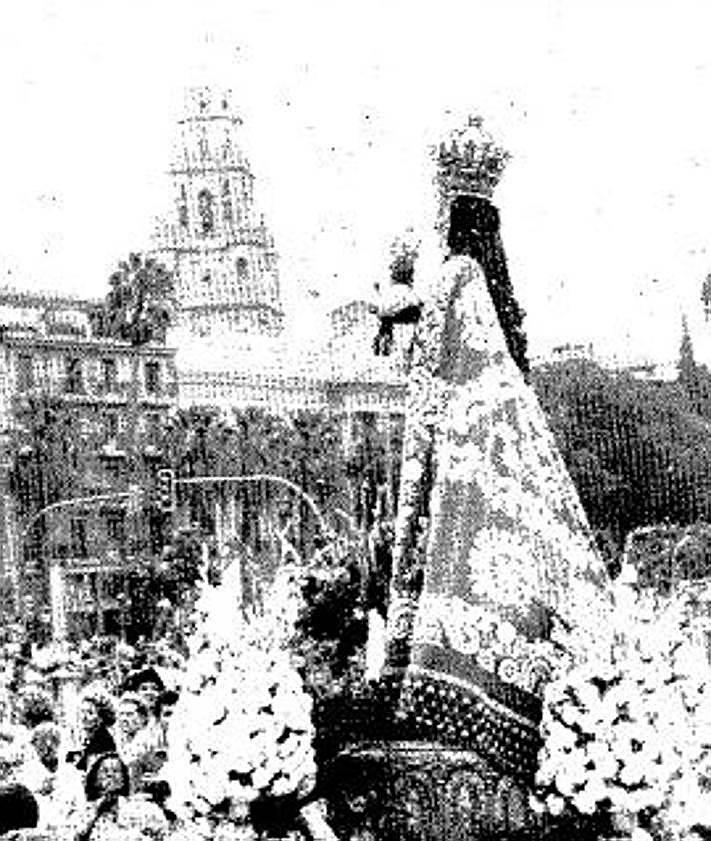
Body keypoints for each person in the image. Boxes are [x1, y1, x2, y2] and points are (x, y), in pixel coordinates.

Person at [380, 118, 612, 791]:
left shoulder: (456, 271)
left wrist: (395, 295)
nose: (433, 217)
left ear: (452, 215)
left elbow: (426, 342)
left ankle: (456, 687)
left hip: (459, 438)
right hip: (480, 437)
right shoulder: (487, 279)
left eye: (438, 207)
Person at [69, 752, 168, 841]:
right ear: (95, 778)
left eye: (116, 771)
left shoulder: (141, 808)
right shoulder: (83, 812)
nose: (110, 775)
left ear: (123, 779)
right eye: (104, 771)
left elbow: (160, 832)